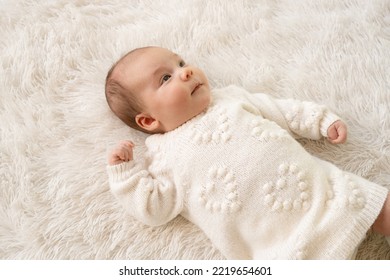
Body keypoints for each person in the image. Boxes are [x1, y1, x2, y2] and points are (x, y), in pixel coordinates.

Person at [104, 46, 390, 259]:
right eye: (166, 78)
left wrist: (320, 121)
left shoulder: (229, 99)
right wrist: (124, 175)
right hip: (280, 248)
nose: (185, 71)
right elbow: (155, 209)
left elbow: (282, 111)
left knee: (381, 205)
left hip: (326, 195)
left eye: (180, 63)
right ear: (148, 121)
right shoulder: (162, 158)